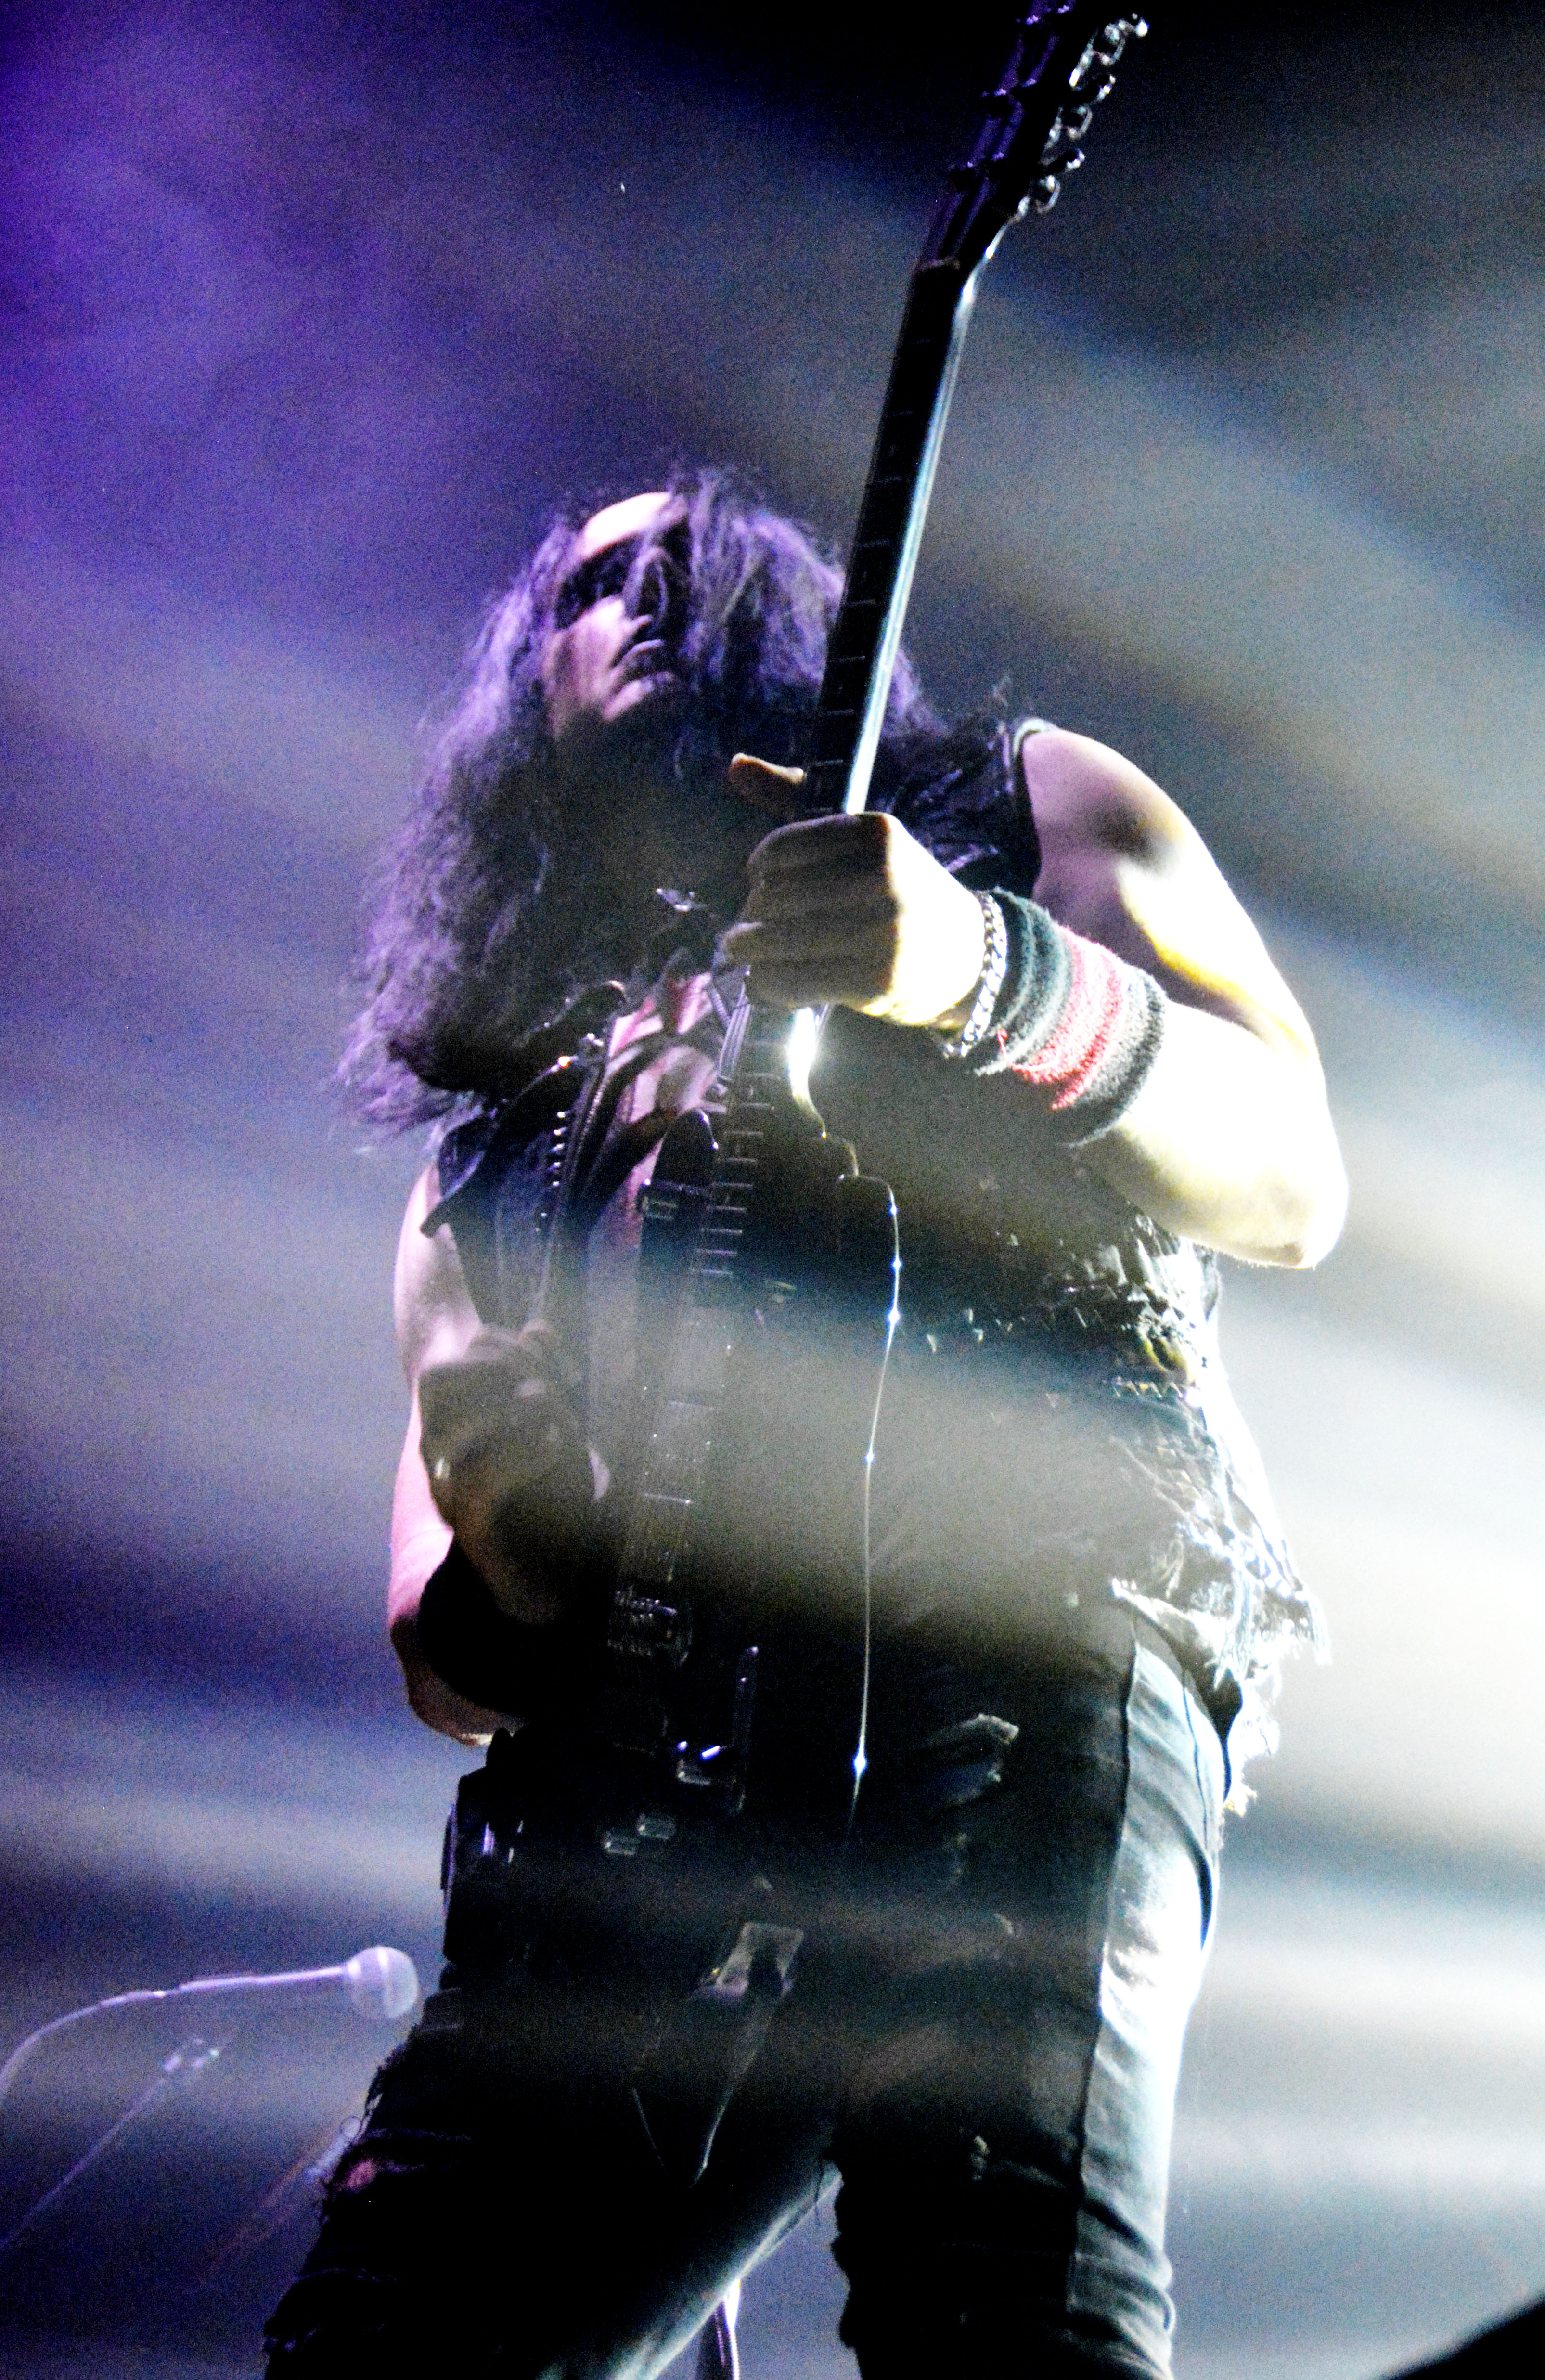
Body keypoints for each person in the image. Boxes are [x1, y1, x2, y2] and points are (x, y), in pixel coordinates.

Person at [265, 473, 1345, 2378]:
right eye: (593, 581)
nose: (648, 594)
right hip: (628, 1838)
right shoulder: (487, 1150)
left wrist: (984, 970)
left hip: (1019, 1656)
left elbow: (1287, 1180)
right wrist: (507, 1489)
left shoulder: (1026, 805)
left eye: (693, 559)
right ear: (524, 687)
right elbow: (447, 1653)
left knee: (997, 2316)